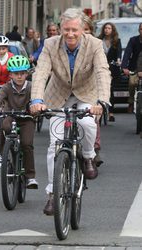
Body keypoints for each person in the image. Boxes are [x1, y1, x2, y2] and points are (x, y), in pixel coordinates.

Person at [30, 8, 111, 216]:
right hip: (58, 96)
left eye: (75, 29)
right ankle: (52, 195)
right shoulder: (50, 44)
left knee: (87, 123)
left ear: (83, 29)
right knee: (53, 145)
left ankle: (88, 156)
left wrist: (102, 101)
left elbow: (102, 72)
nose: (70, 34)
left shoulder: (94, 44)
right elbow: (41, 72)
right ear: (60, 29)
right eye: (66, 29)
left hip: (87, 94)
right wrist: (37, 100)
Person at [0, 55, 38, 189]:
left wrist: (38, 108)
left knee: (27, 144)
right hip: (11, 116)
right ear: (10, 74)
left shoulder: (31, 87)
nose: (19, 76)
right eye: (16, 74)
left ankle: (30, 177)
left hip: (27, 119)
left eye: (23, 73)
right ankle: (3, 154)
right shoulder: (7, 87)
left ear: (27, 74)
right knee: (4, 126)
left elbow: (38, 99)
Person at [83, 14, 103, 167]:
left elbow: (101, 70)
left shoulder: (96, 45)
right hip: (73, 91)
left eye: (87, 30)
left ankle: (94, 150)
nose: (84, 33)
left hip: (92, 89)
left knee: (93, 120)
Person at [98, 22, 122, 122]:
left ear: (112, 30)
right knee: (99, 90)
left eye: (109, 28)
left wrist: (119, 60)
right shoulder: (99, 40)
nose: (107, 30)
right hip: (101, 66)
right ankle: (99, 111)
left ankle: (111, 113)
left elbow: (119, 52)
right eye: (105, 28)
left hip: (112, 68)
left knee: (110, 90)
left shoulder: (116, 41)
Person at [121, 23, 142, 113]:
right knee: (132, 83)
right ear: (139, 30)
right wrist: (124, 67)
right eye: (141, 29)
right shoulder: (133, 40)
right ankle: (130, 102)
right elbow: (127, 53)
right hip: (135, 68)